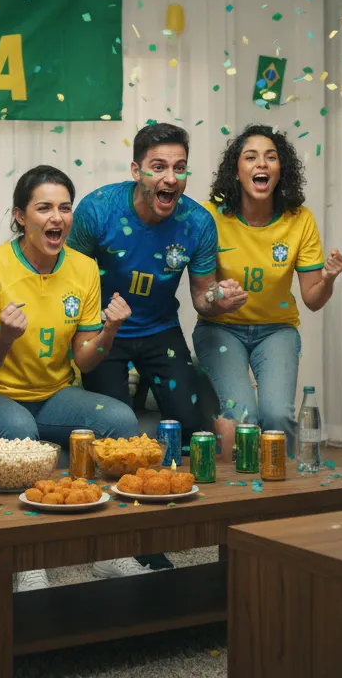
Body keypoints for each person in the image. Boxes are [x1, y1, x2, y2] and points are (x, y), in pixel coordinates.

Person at [67, 123, 249, 571]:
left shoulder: (198, 222)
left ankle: (171, 521)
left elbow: (202, 299)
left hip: (161, 331)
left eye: (179, 168)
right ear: (137, 170)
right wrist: (92, 329)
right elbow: (69, 276)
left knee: (190, 423)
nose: (170, 178)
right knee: (117, 434)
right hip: (105, 332)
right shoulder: (97, 210)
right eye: (158, 167)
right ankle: (128, 545)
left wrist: (221, 300)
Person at [0, 165, 144, 586]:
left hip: (56, 395)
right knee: (22, 431)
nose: (56, 217)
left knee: (120, 421)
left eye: (64, 207)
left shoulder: (83, 269)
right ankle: (27, 563)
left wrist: (109, 331)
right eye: (44, 208)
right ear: (20, 216)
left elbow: (86, 359)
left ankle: (113, 551)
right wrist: (4, 335)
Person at [194, 125, 342, 456]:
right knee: (244, 416)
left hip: (277, 330)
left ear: (281, 171)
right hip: (221, 329)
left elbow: (312, 300)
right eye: (250, 157)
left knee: (277, 416)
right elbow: (202, 293)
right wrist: (217, 294)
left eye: (271, 157)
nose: (261, 164)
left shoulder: (299, 220)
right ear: (236, 172)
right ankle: (246, 497)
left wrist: (329, 278)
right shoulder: (209, 216)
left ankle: (282, 494)